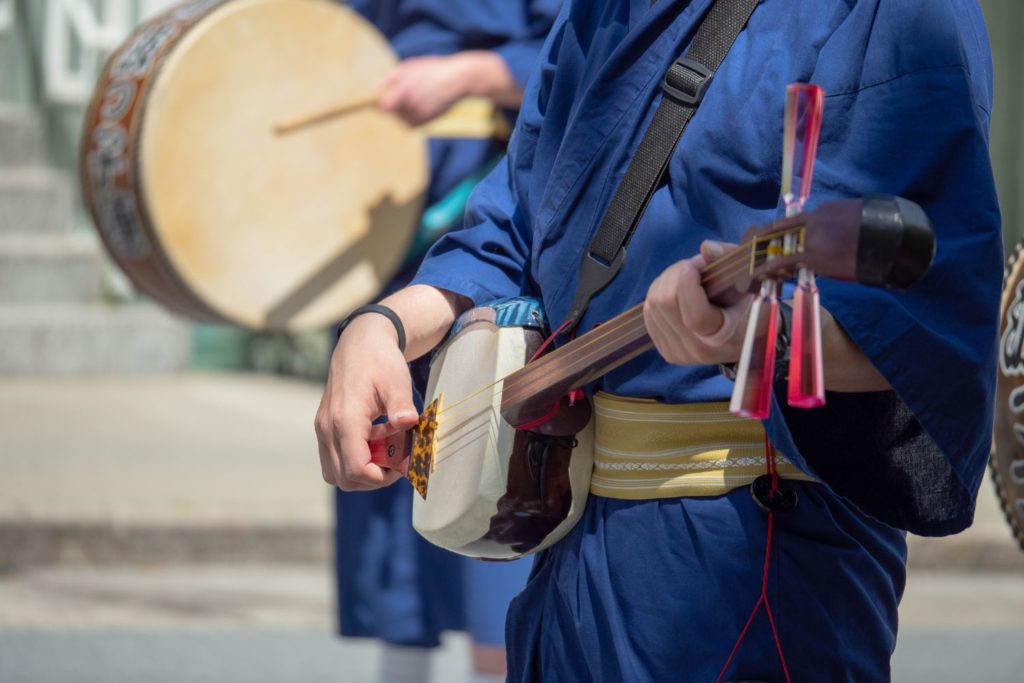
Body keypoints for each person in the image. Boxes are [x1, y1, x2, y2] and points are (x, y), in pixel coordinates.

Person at [317, 0, 1002, 680]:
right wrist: (381, 327)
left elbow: (921, 319)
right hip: (572, 558)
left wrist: (759, 333)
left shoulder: (894, 12)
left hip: (748, 564)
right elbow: (513, 227)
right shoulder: (601, 12)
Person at [330, 3, 561, 683]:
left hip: (493, 258)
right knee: (389, 528)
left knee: (493, 512)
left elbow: (593, 58)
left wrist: (471, 74)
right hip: (383, 254)